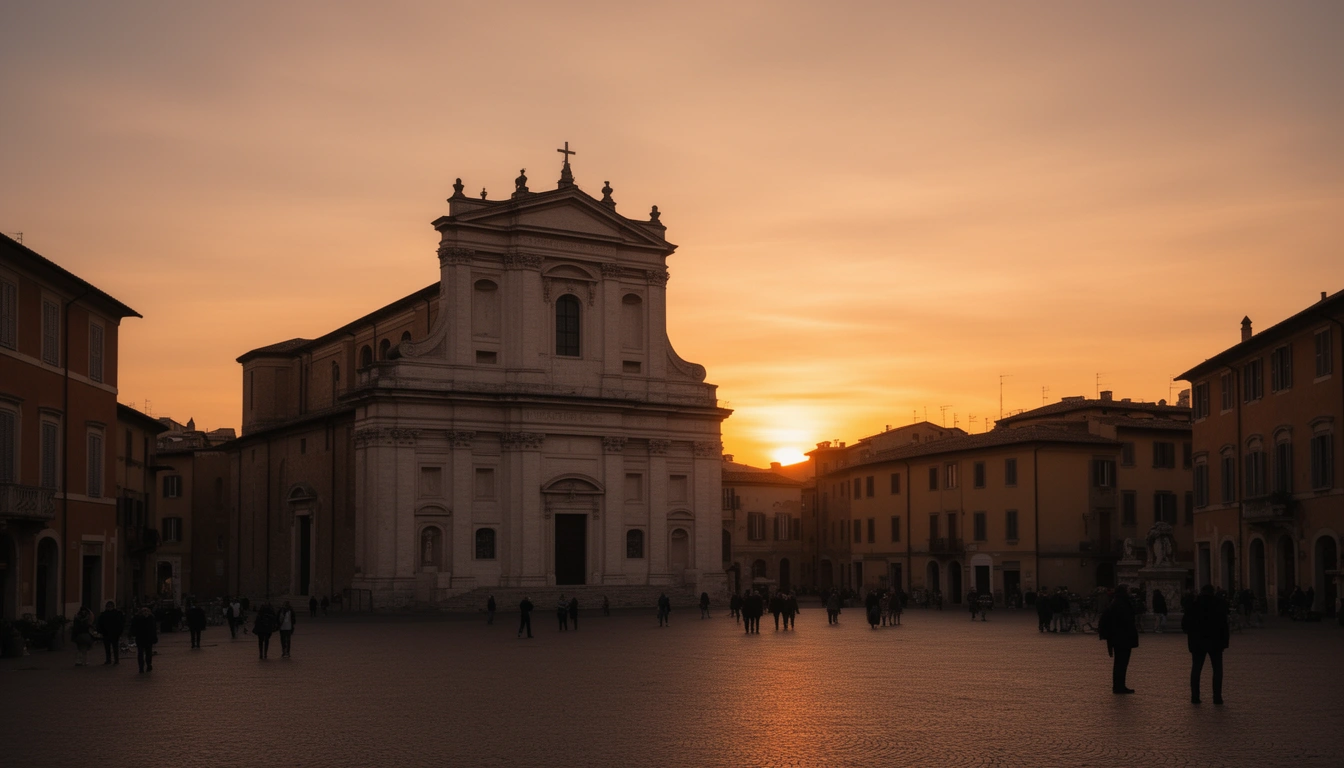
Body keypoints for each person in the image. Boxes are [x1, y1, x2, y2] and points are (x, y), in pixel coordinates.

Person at [1184, 584, 1230, 704]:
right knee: (1217, 669)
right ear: (1213, 592)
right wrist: (1225, 642)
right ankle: (1217, 697)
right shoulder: (1219, 603)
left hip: (1197, 641)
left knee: (1196, 669)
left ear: (1201, 591)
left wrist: (1191, 635)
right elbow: (1224, 625)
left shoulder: (1194, 604)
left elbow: (1185, 624)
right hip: (1216, 641)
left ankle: (1195, 696)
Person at [1098, 584, 1139, 694]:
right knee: (1121, 663)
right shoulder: (1121, 604)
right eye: (1128, 590)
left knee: (1120, 663)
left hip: (1119, 637)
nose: (1130, 591)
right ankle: (1119, 686)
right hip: (1122, 637)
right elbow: (1126, 620)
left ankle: (1119, 685)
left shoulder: (1116, 602)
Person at [131, 606, 158, 673]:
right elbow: (133, 627)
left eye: (147, 611)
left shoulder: (151, 618)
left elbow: (154, 629)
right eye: (144, 611)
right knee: (140, 653)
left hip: (149, 638)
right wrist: (132, 634)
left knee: (148, 653)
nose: (145, 612)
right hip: (140, 638)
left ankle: (148, 664)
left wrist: (154, 637)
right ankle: (141, 667)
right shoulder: (137, 619)